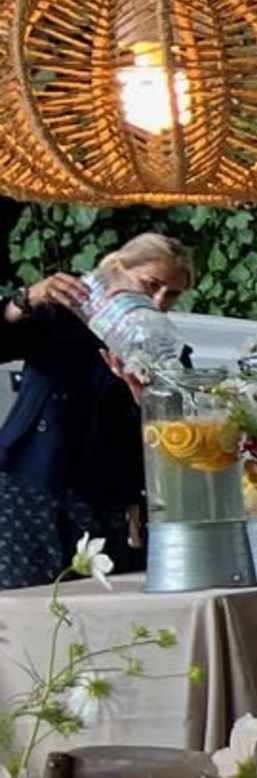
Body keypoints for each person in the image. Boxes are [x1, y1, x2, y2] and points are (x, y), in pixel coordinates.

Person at [0, 233, 193, 585]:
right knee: (22, 605)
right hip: (31, 485)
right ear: (117, 267)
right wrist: (24, 299)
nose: (159, 301)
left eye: (172, 294)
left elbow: (178, 435)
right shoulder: (61, 312)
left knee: (99, 610)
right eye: (151, 284)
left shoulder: (167, 350)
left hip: (110, 501)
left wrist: (142, 396)